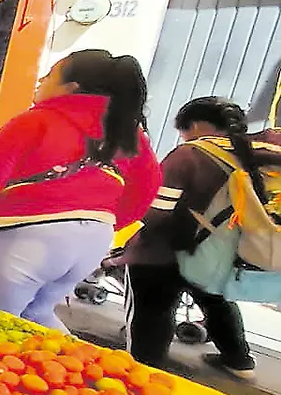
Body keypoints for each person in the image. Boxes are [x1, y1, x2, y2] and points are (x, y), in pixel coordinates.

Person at [0, 49, 162, 332]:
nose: (40, 80)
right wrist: (100, 222)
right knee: (37, 314)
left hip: (28, 237)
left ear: (71, 88)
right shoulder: (130, 134)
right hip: (93, 241)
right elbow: (148, 188)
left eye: (50, 74)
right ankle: (76, 371)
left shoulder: (36, 121)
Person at [120, 98, 281, 380]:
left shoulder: (191, 155)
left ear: (193, 125)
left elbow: (154, 214)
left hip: (165, 253)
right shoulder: (259, 153)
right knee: (215, 298)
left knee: (152, 308)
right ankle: (238, 360)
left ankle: (145, 371)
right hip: (222, 255)